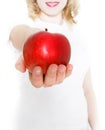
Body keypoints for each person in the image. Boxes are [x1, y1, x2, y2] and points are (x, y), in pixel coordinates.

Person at [9, 0, 99, 130]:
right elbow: (16, 34)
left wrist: (97, 127)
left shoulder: (79, 36)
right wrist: (30, 38)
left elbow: (88, 91)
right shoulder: (26, 25)